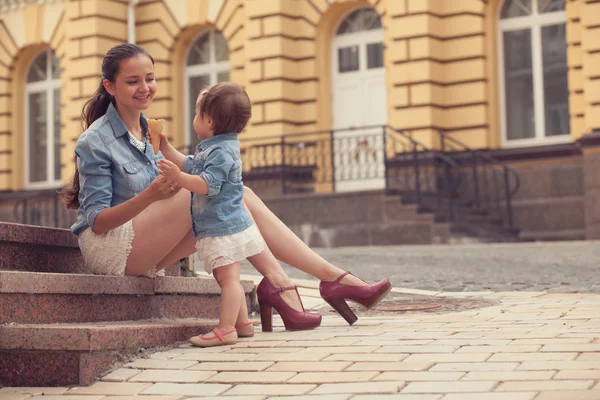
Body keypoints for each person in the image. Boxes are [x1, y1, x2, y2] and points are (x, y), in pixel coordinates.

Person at [63, 43, 391, 332]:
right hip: (111, 248)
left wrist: (181, 168)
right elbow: (99, 222)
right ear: (110, 86)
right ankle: (314, 285)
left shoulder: (150, 130)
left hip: (148, 242)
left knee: (238, 194)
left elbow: (188, 169)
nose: (145, 88)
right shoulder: (96, 140)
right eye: (133, 81)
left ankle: (301, 281)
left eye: (149, 78)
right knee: (209, 191)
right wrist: (153, 194)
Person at [157, 83, 323, 346]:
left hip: (224, 226)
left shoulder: (222, 152)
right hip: (222, 224)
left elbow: (207, 184)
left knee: (228, 280)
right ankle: (243, 324)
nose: (195, 119)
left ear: (208, 121)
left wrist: (178, 177)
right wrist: (167, 150)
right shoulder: (213, 146)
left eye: (197, 114)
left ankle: (226, 330)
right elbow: (191, 164)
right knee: (226, 276)